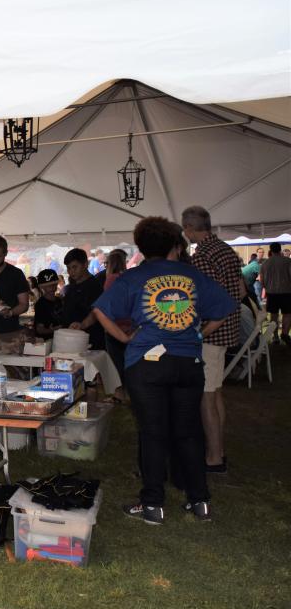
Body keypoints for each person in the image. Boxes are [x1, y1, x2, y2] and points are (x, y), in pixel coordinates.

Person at [93, 216, 235, 524]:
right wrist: (199, 332)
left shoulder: (134, 277)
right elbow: (225, 307)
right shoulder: (192, 274)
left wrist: (124, 337)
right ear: (174, 244)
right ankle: (200, 502)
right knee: (188, 432)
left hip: (146, 364)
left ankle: (153, 505)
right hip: (188, 363)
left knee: (153, 433)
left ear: (142, 247)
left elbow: (101, 310)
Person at [182, 206, 245, 474]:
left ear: (188, 229)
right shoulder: (225, 249)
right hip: (227, 329)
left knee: (206, 397)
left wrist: (200, 330)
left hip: (211, 332)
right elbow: (241, 290)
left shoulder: (203, 255)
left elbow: (203, 299)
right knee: (216, 393)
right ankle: (218, 450)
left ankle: (214, 458)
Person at [0, 236, 30, 338]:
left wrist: (10, 312)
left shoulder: (16, 274)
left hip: (7, 331)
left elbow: (24, 304)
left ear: (6, 253)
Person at [62, 248, 105, 350]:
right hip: (71, 340)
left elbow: (97, 312)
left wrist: (82, 325)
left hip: (90, 341)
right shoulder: (71, 286)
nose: (71, 272)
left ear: (85, 264)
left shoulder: (95, 286)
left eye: (74, 267)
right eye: (68, 268)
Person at [103, 249, 132, 391]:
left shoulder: (110, 279)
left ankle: (119, 393)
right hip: (130, 326)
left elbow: (107, 303)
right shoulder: (128, 278)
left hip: (114, 326)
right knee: (128, 362)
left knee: (115, 364)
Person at [260, 242, 291, 345]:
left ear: (271, 250)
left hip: (272, 293)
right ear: (280, 249)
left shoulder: (265, 263)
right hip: (286, 292)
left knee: (274, 315)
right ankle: (285, 334)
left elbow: (262, 281)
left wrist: (267, 287)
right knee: (287, 314)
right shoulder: (288, 261)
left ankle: (275, 337)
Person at [33, 269, 65, 340]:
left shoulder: (59, 300)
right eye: (48, 286)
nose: (52, 288)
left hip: (59, 339)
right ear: (42, 287)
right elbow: (39, 329)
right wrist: (53, 330)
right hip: (46, 342)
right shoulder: (41, 304)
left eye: (54, 285)